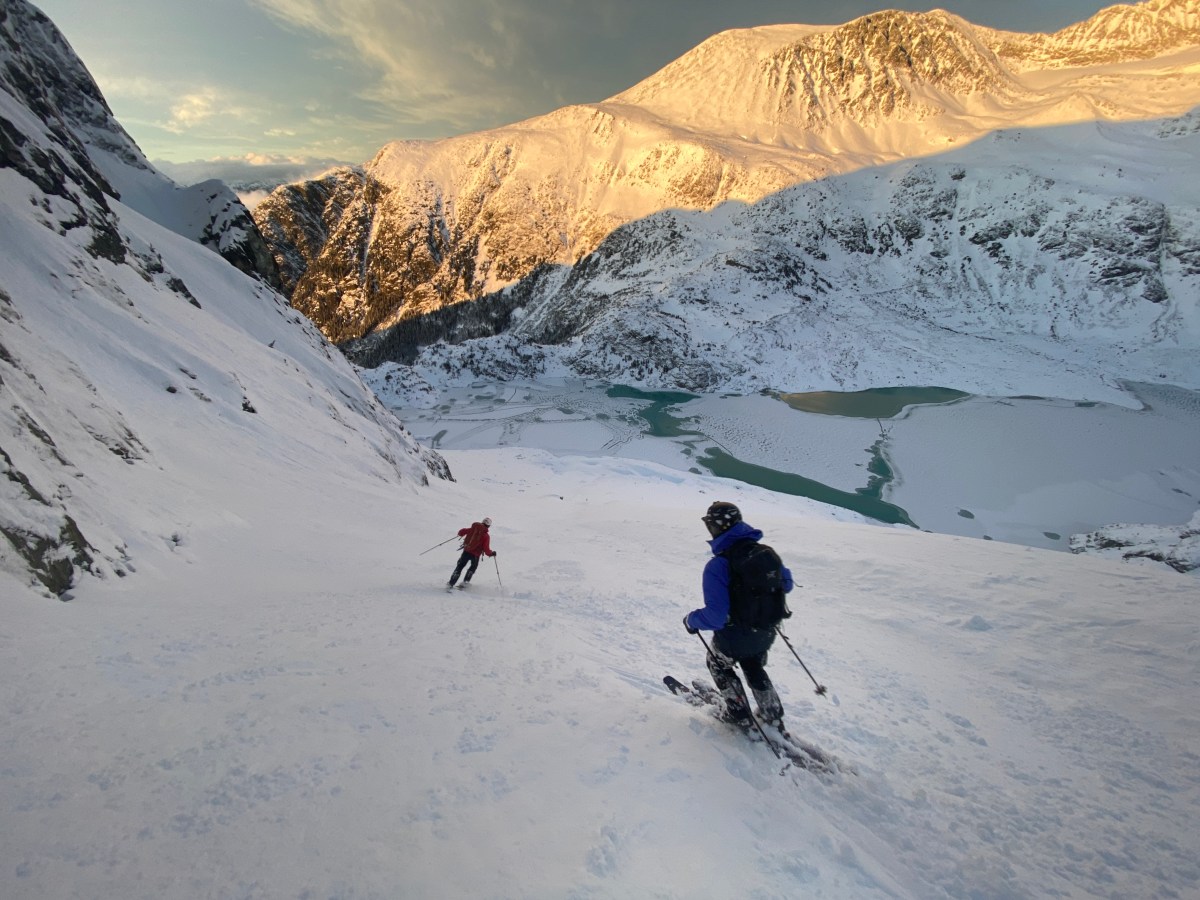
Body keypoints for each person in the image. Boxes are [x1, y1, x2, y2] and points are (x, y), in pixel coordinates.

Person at [682, 501, 794, 733]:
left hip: (734, 637)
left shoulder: (718, 565)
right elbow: (787, 584)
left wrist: (691, 620)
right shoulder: (765, 554)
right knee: (752, 664)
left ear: (718, 527)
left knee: (717, 662)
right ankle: (772, 714)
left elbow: (716, 617)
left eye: (711, 526)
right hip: (767, 631)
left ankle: (738, 712)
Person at [447, 517, 496, 588]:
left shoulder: (472, 529)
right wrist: (491, 553)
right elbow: (486, 549)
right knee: (472, 568)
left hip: (466, 552)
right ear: (488, 526)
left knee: (460, 567)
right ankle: (464, 584)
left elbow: (460, 532)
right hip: (475, 555)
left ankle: (451, 583)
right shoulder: (486, 536)